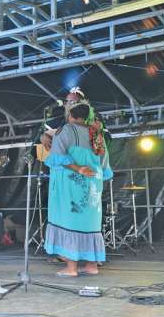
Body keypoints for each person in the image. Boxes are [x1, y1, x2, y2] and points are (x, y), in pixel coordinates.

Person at [43, 90, 113, 277]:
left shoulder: (66, 130)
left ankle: (71, 267)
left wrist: (79, 169)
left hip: (71, 186)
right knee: (90, 224)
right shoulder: (97, 134)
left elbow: (58, 157)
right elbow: (104, 165)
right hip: (93, 186)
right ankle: (91, 266)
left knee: (69, 219)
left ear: (71, 115)